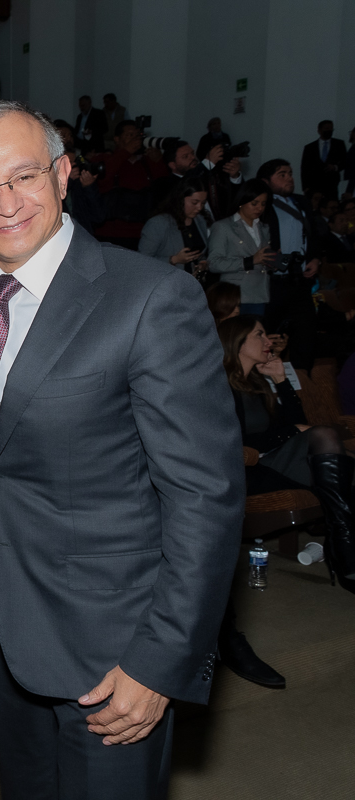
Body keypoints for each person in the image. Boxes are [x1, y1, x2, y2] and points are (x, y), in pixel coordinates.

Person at [0, 101, 243, 799]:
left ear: (64, 173)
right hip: (9, 632)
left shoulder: (151, 297)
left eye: (24, 176)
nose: (5, 202)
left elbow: (206, 497)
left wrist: (160, 661)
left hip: (116, 651)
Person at [220, 316, 355, 595]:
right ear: (237, 343)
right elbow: (234, 443)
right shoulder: (220, 387)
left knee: (337, 455)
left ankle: (341, 542)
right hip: (249, 469)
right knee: (325, 438)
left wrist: (281, 380)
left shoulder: (257, 384)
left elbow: (297, 425)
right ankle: (341, 543)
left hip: (276, 460)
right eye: (260, 335)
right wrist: (289, 431)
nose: (269, 342)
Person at [208, 179, 277, 316]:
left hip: (260, 294)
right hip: (234, 295)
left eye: (263, 204)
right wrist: (250, 260)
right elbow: (213, 263)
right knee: (234, 335)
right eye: (254, 203)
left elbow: (262, 262)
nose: (259, 208)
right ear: (241, 201)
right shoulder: (223, 227)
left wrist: (272, 261)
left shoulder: (263, 227)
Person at [138, 177, 211, 279]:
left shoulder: (200, 220)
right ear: (180, 199)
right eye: (194, 203)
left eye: (203, 203)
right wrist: (173, 260)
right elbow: (141, 261)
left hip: (192, 284)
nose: (199, 207)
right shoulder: (159, 223)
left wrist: (202, 262)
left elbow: (198, 250)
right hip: (165, 283)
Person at [301, 120, 346, 200]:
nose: (329, 131)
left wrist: (335, 167)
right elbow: (304, 168)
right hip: (314, 185)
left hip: (332, 184)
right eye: (326, 128)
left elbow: (345, 162)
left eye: (331, 129)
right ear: (319, 130)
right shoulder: (309, 148)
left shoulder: (339, 144)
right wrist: (305, 187)